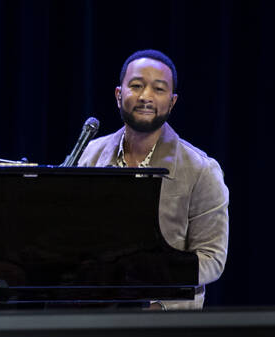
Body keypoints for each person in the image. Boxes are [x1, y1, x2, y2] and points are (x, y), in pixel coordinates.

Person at [79, 49, 229, 309]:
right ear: (118, 95)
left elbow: (212, 258)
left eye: (159, 89)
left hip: (163, 318)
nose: (146, 96)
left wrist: (153, 291)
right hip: (95, 313)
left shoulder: (201, 169)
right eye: (136, 86)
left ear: (171, 102)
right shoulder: (91, 154)